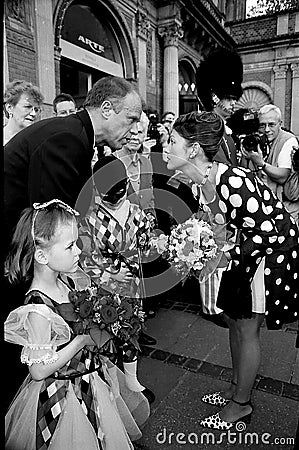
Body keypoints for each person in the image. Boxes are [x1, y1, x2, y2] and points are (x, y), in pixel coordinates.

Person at [3, 75, 142, 410]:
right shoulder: (68, 138)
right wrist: (93, 279)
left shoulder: (75, 134)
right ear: (107, 109)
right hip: (14, 252)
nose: (136, 128)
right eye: (132, 118)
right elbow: (54, 226)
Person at [164, 110, 298, 429]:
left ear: (193, 149)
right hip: (245, 255)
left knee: (247, 328)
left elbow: (269, 231)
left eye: (172, 141)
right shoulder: (203, 178)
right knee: (234, 322)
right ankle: (238, 386)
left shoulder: (229, 179)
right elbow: (216, 223)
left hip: (266, 256)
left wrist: (222, 250)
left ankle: (241, 404)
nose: (166, 147)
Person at [4, 199, 149, 449]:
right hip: (63, 394)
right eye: (70, 246)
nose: (78, 252)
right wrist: (82, 340)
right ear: (42, 254)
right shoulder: (38, 307)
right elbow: (38, 370)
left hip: (90, 379)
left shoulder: (67, 281)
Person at [77, 155, 156, 403]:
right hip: (103, 290)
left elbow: (147, 244)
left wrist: (158, 244)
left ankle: (131, 382)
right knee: (106, 338)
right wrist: (109, 273)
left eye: (121, 192)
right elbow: (83, 258)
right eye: (111, 195)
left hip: (132, 285)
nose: (117, 198)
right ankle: (109, 388)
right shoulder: (88, 218)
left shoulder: (135, 210)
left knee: (131, 332)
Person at [115, 112, 159, 329]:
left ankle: (136, 327)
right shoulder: (112, 161)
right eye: (130, 131)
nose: (134, 136)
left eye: (139, 132)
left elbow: (149, 193)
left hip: (141, 231)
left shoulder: (146, 162)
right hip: (118, 236)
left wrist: (150, 221)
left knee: (141, 279)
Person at [241, 104, 299, 226]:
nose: (267, 129)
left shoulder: (288, 140)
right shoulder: (259, 141)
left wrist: (260, 163)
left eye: (271, 124)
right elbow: (244, 172)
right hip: (263, 208)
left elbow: (283, 176)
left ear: (280, 124)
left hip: (285, 209)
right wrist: (247, 154)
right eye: (262, 125)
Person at [196, 47, 243, 166]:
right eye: (228, 98)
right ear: (215, 98)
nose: (233, 103)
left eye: (234, 99)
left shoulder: (223, 128)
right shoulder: (209, 129)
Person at [3, 79, 44, 145]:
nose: (34, 114)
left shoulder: (38, 142)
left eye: (36, 109)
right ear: (9, 108)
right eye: (27, 107)